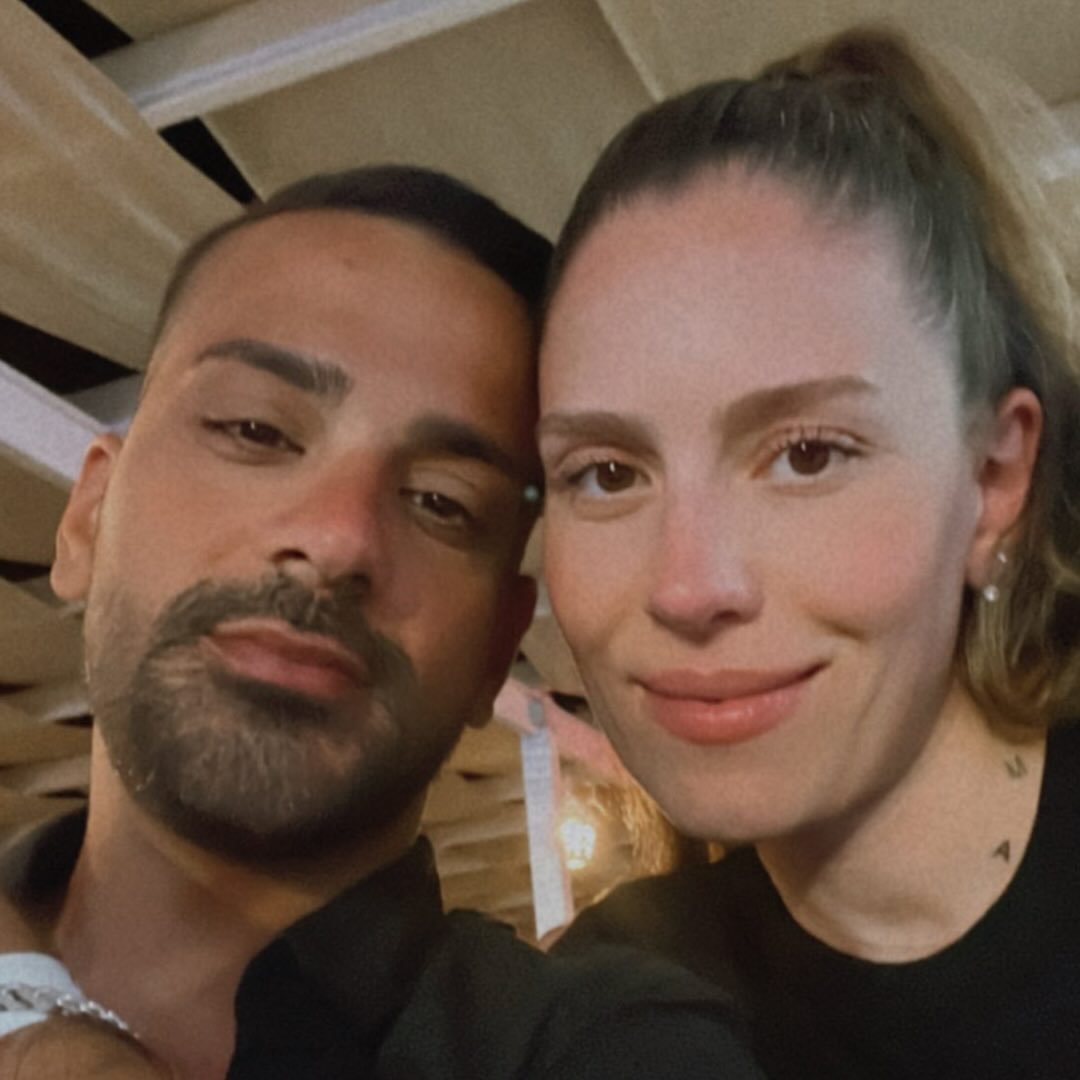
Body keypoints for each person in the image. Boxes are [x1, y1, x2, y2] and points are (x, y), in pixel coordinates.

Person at [0, 166, 764, 1079]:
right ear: (87, 518)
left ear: (497, 649)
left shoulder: (601, 1048)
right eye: (255, 430)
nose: (339, 538)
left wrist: (26, 1023)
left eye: (443, 502)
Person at [539, 26, 1080, 1079]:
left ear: (992, 481)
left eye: (807, 455)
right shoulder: (613, 1016)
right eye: (605, 473)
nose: (688, 586)